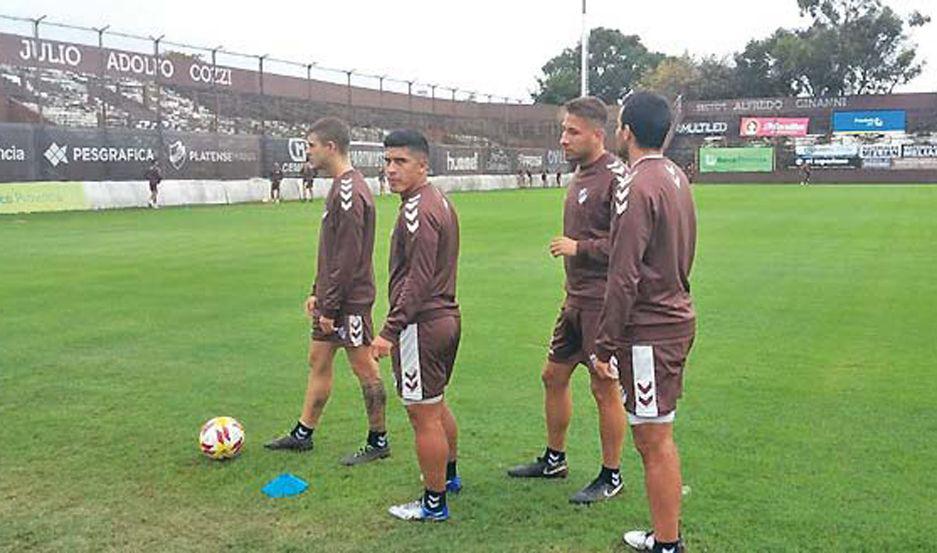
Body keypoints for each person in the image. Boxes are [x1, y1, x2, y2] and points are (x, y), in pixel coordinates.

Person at [507, 96, 628, 505]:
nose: (563, 139)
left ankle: (612, 475)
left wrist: (581, 247)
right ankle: (555, 459)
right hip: (575, 300)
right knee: (552, 376)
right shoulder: (579, 176)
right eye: (563, 130)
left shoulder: (616, 176)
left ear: (598, 134)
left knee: (603, 387)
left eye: (572, 131)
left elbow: (629, 245)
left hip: (602, 302)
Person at [592, 92, 697, 553]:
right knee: (655, 434)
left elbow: (624, 272)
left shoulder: (635, 184)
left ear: (627, 131)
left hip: (651, 330)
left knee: (653, 439)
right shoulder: (675, 175)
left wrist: (605, 343)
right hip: (672, 316)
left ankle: (667, 544)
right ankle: (663, 535)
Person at [265, 117, 391, 467]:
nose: (308, 153)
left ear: (330, 147)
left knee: (365, 367)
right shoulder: (340, 187)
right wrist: (316, 293)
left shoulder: (350, 191)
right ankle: (303, 434)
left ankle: (378, 440)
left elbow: (348, 258)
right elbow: (332, 252)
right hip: (332, 299)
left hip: (348, 303)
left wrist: (331, 307)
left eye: (311, 146)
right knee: (318, 361)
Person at [371, 129, 462, 522]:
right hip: (444, 318)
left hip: (421, 326)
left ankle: (433, 502)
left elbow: (418, 280)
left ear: (423, 165)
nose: (391, 170)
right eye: (387, 161)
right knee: (435, 405)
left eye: (400, 162)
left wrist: (390, 331)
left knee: (421, 414)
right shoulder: (436, 199)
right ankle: (449, 478)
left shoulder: (417, 210)